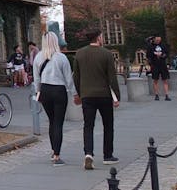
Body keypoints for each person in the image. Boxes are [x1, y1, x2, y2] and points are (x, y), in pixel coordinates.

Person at [73, 30, 121, 170]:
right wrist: (116, 96)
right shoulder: (106, 54)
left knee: (88, 126)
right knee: (108, 125)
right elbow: (112, 77)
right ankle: (108, 155)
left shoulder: (80, 53)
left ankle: (88, 153)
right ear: (99, 38)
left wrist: (80, 93)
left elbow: (76, 76)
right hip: (104, 94)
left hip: (87, 95)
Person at [33, 32, 74, 166]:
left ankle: (53, 150)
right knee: (58, 122)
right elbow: (68, 78)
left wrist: (38, 92)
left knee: (51, 121)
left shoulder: (38, 57)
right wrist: (74, 93)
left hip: (45, 89)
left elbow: (36, 78)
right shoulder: (61, 58)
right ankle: (57, 154)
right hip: (58, 90)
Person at [147, 35, 171, 101]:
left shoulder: (163, 45)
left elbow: (167, 53)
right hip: (155, 65)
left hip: (162, 64)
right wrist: (150, 63)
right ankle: (156, 95)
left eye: (159, 40)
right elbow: (148, 56)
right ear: (154, 39)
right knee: (155, 80)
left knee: (165, 80)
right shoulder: (150, 46)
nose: (158, 41)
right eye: (157, 40)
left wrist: (163, 55)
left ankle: (166, 94)